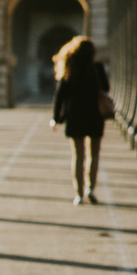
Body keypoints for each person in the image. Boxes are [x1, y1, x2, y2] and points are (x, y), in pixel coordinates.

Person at [51, 36, 110, 205]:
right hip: (95, 116)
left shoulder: (70, 68)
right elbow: (106, 88)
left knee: (78, 156)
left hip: (75, 117)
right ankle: (91, 188)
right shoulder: (97, 68)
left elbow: (60, 96)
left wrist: (56, 119)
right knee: (94, 155)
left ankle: (78, 194)